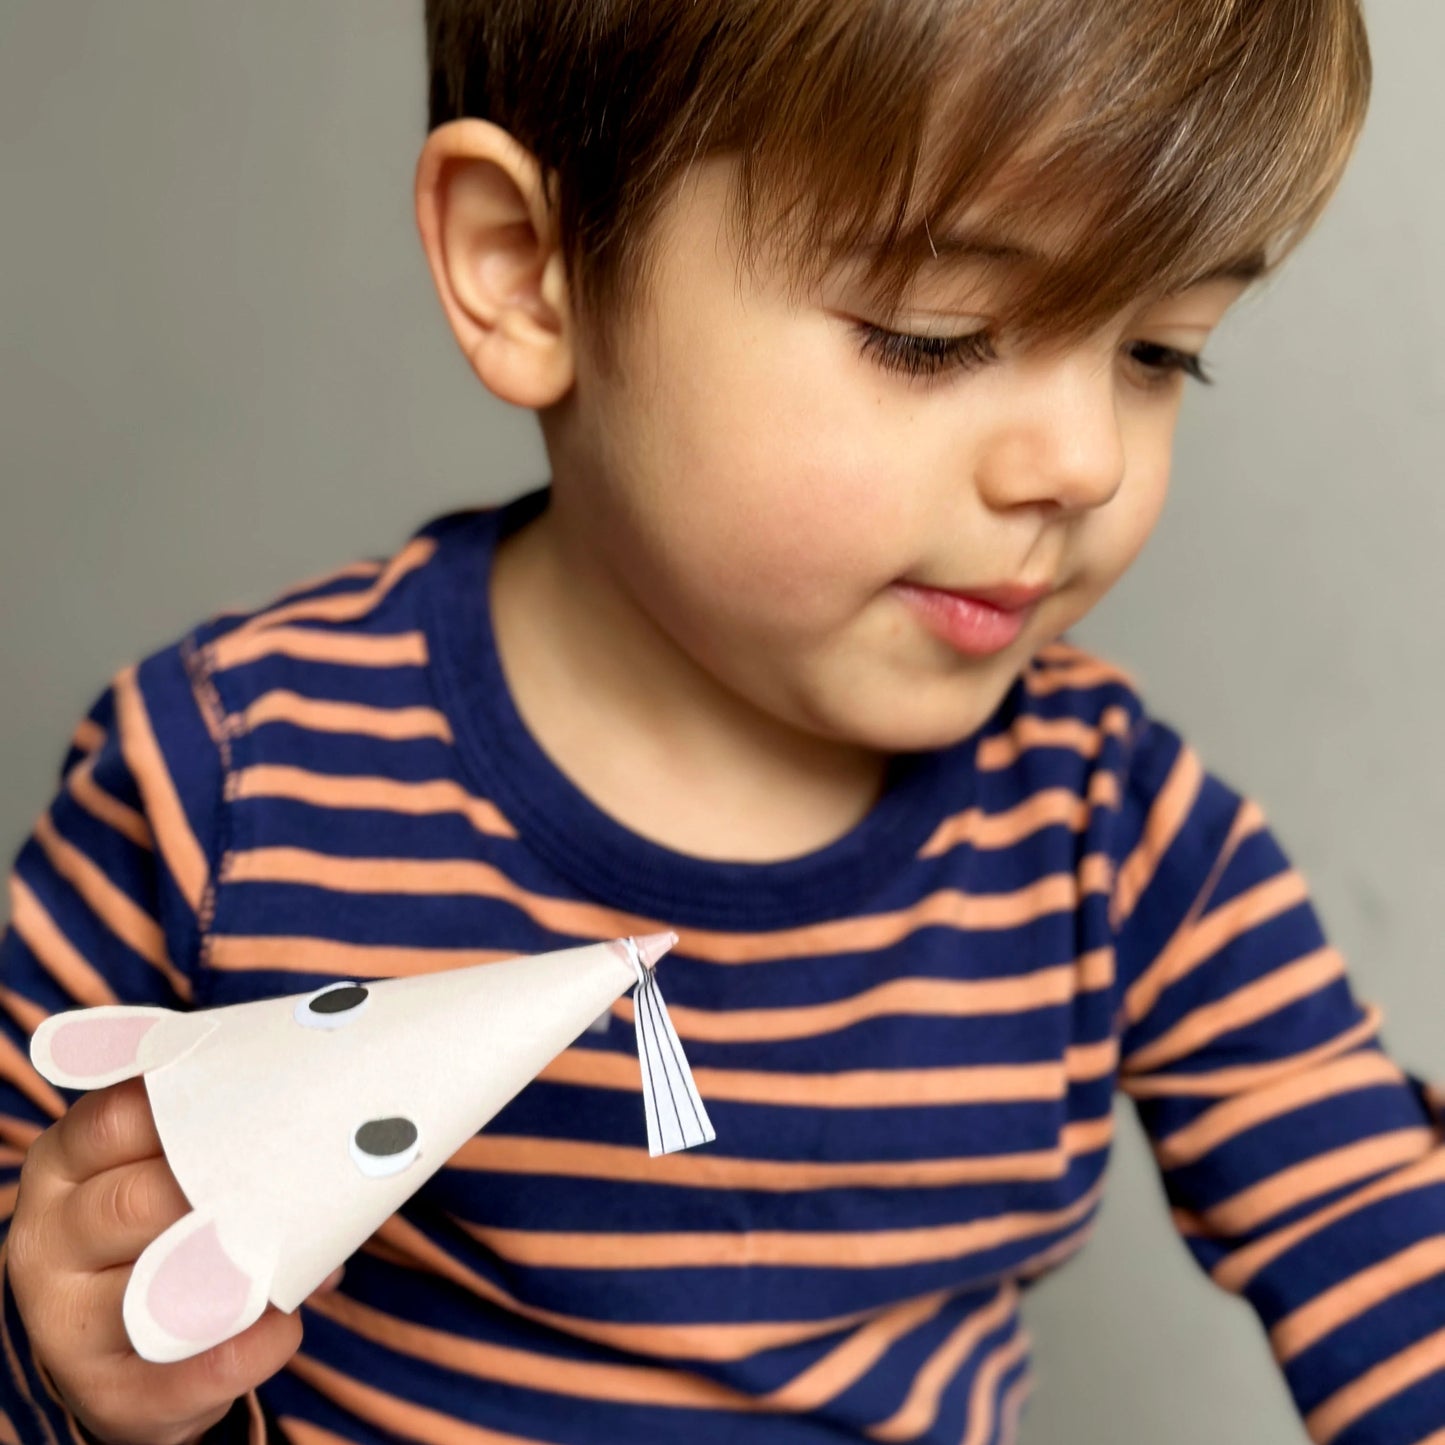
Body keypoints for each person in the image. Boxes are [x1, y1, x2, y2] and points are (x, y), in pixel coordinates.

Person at [3, 0, 1435, 1441]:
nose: (1082, 459)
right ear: (528, 270)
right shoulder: (230, 776)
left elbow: (1388, 1246)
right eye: (931, 336)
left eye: (1157, 352)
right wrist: (67, 1361)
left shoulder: (1110, 834)